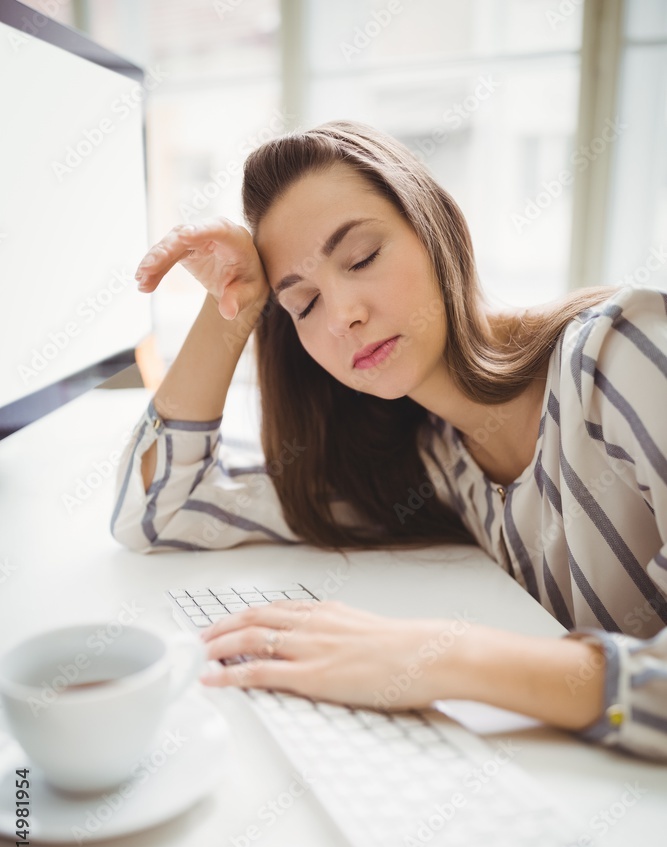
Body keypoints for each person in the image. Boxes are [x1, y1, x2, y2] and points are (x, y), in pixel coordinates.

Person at [111, 120, 667, 761]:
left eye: (363, 258)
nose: (343, 313)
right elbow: (157, 513)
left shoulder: (623, 353)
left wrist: (441, 655)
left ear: (436, 229)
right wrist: (229, 308)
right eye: (305, 304)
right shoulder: (430, 460)